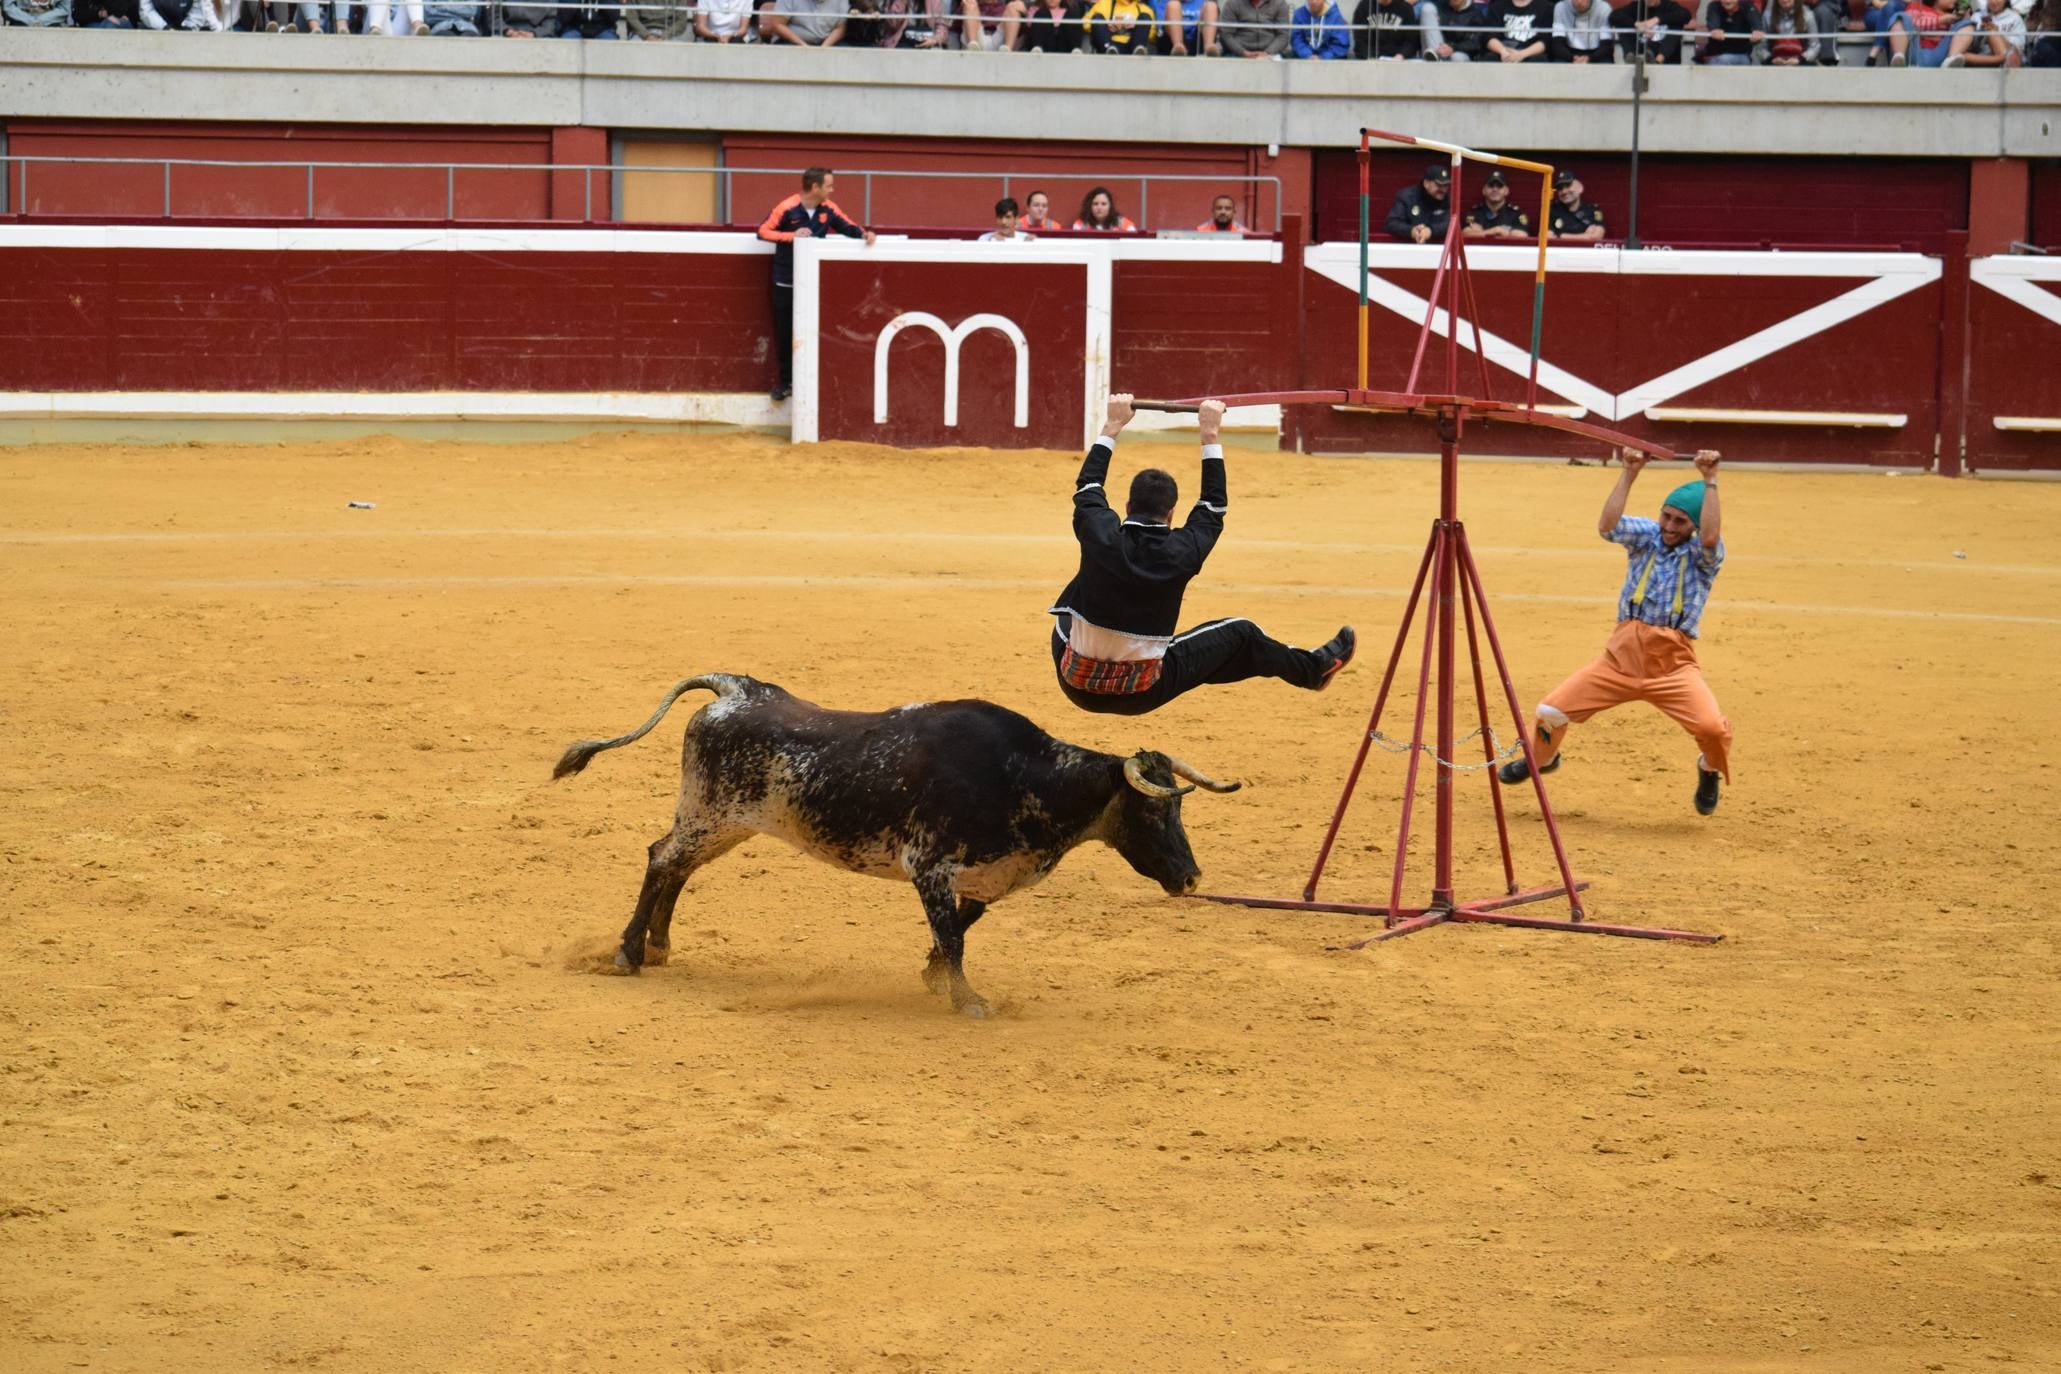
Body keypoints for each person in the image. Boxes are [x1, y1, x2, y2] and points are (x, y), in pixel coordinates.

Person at [1048, 394, 1357, 717]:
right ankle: (1311, 670)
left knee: (1073, 601)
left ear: (1127, 507)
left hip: (1075, 685)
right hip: (1140, 693)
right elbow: (1213, 506)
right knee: (1240, 633)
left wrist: (1112, 427)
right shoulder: (1183, 550)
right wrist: (1209, 434)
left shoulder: (1100, 534)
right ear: (1171, 513)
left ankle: (1297, 668)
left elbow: (1088, 487)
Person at [1498, 449, 1731, 817]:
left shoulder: (1703, 557)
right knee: (1551, 710)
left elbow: (1710, 539)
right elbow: (1608, 526)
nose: (1669, 527)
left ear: (1694, 526)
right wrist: (1629, 472)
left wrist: (1711, 480)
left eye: (1680, 522)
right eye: (1666, 516)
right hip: (1620, 660)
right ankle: (1542, 759)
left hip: (1672, 668)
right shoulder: (1648, 536)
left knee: (1713, 730)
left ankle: (1709, 770)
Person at [757, 167, 876, 403]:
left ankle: (813, 383)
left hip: (813, 282)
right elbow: (762, 232)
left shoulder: (829, 208)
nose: (832, 190)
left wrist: (865, 235)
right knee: (785, 332)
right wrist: (791, 236)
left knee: (817, 331)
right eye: (829, 185)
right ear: (815, 187)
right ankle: (786, 382)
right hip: (786, 280)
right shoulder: (787, 207)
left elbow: (848, 227)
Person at [1385, 163, 1452, 244]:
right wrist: (1411, 231)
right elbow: (1392, 223)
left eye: (1446, 185)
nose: (1443, 189)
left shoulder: (1448, 200)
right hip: (1407, 248)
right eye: (1439, 185)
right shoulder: (1406, 197)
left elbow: (1450, 224)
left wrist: (1430, 231)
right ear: (1426, 183)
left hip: (1438, 248)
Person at [1941, 0, 2026, 62]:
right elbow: (1970, 42)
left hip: (2007, 58)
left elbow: (2018, 48)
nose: (1994, 2)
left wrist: (1998, 34)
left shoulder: (2015, 18)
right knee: (1959, 54)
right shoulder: (1977, 16)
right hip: (1980, 55)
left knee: (1993, 33)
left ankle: (2000, 60)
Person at [1611, 0, 1693, 60]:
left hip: (1664, 53)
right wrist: (1636, 24)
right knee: (1623, 23)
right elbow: (1613, 16)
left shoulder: (1668, 6)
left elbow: (1686, 15)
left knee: (1676, 25)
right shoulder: (1637, 6)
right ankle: (1630, 56)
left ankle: (1659, 59)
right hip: (1640, 51)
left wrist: (1657, 20)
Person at [1463, 171, 1531, 238]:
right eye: (1491, 185)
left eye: (1499, 186)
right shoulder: (1474, 213)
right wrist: (1496, 231)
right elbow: (1465, 233)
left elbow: (1522, 235)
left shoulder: (1517, 213)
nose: (1495, 189)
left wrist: (1481, 233)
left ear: (1506, 191)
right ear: (1484, 190)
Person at [1697, 0, 1763, 62]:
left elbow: (1757, 25)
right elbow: (1713, 23)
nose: (1727, 1)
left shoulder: (1748, 7)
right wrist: (1714, 30)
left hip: (1741, 56)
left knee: (1726, 59)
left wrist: (1757, 32)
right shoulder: (1714, 6)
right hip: (1715, 56)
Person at [1421, 0, 1492, 57]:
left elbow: (1474, 43)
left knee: (1457, 57)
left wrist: (1453, 48)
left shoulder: (1476, 14)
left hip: (1459, 52)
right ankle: (1436, 55)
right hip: (1436, 47)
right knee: (1428, 8)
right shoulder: (1440, 7)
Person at [1548, 169, 1605, 240]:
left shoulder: (1592, 210)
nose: (1564, 191)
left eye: (1568, 186)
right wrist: (1585, 236)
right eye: (1560, 188)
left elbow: (1597, 236)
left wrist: (1560, 236)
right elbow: (1547, 236)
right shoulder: (1551, 211)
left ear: (1580, 188)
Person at [1355, 0, 1428, 55]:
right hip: (1372, 58)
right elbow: (1359, 41)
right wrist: (1371, 56)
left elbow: (1411, 41)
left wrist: (1402, 55)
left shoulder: (1405, 8)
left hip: (1399, 58)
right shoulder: (1364, 7)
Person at [761, 0, 850, 42]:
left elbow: (840, 27)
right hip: (791, 41)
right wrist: (804, 47)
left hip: (827, 43)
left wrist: (823, 49)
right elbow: (778, 24)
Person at [1551, 0, 1617, 56]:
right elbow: (1558, 43)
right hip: (1568, 52)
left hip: (1597, 53)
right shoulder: (1561, 7)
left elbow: (1606, 45)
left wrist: (1589, 58)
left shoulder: (1604, 8)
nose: (1579, 2)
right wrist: (1572, 58)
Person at [1221, 0, 1292, 52]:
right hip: (1238, 53)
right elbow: (1226, 35)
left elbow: (1283, 35)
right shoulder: (1232, 3)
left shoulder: (1280, 3)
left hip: (1271, 54)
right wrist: (1243, 52)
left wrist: (1268, 52)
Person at [1486, 0, 1551, 57]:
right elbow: (1489, 37)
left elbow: (1546, 40)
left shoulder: (1546, 7)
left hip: (1532, 55)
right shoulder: (1497, 7)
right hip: (1502, 54)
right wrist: (1503, 52)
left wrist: (1522, 54)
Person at [1085, 0, 1157, 48]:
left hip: (1133, 46)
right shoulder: (1104, 3)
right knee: (1097, 17)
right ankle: (1109, 49)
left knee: (1145, 17)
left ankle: (1137, 51)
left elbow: (1153, 35)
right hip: (1108, 44)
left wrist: (1136, 26)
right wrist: (1106, 24)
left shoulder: (1145, 9)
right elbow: (1085, 22)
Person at [1074, 186, 1140, 230]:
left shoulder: (1122, 223)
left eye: (1103, 204)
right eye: (1095, 204)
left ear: (1110, 206)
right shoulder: (1080, 224)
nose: (1099, 207)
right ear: (1089, 206)